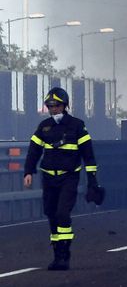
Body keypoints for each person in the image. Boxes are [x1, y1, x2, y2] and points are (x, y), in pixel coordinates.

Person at [22, 87, 102, 271]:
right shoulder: (44, 127)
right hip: (49, 178)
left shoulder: (77, 126)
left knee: (62, 214)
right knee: (51, 214)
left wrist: (92, 181)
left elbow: (88, 155)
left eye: (56, 106)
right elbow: (34, 151)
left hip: (69, 178)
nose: (53, 109)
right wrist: (28, 172)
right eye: (50, 106)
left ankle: (65, 254)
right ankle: (57, 254)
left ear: (64, 105)